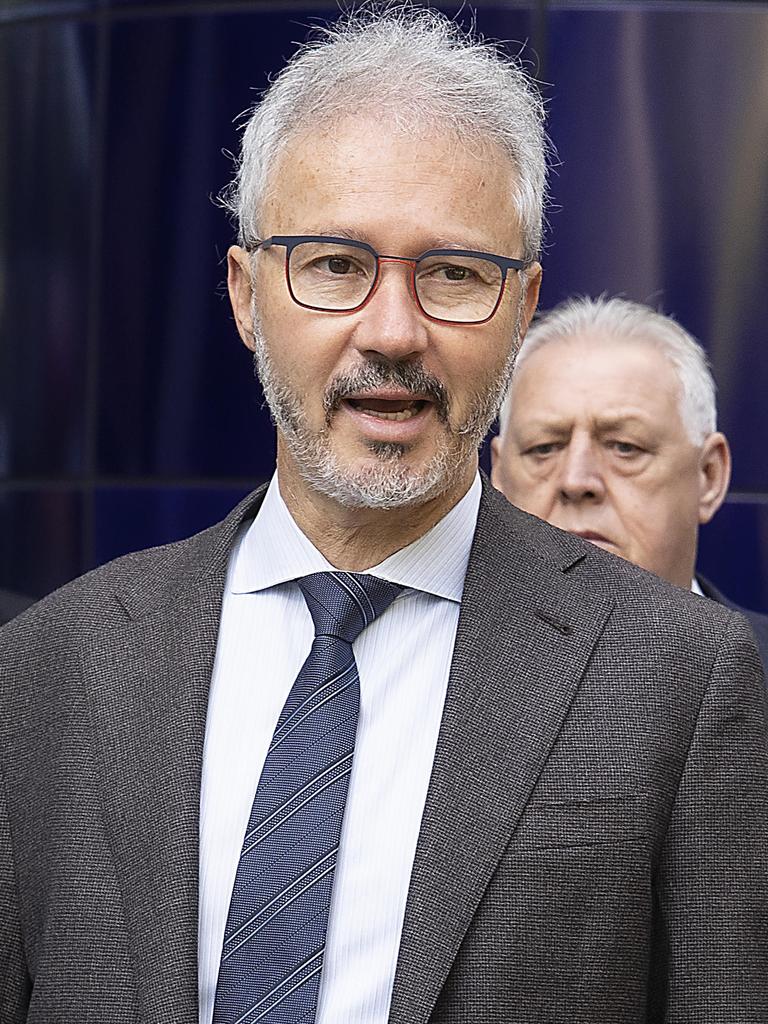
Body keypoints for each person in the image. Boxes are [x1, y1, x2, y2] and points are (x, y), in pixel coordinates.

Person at [1, 10, 767, 1023]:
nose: (394, 331)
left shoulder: (680, 676)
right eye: (333, 264)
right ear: (244, 293)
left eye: (454, 273)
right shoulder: (53, 664)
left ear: (522, 304)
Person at [491, 294, 768, 669]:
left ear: (709, 476)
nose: (576, 480)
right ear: (498, 476)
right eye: (544, 448)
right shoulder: (432, 671)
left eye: (624, 447)